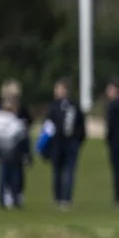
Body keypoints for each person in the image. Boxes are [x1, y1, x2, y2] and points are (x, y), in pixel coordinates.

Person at [43, 79, 87, 209]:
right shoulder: (55, 107)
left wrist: (77, 141)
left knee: (68, 170)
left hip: (68, 142)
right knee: (58, 171)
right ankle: (59, 197)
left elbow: (80, 126)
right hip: (58, 143)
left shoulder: (70, 107)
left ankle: (65, 197)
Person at [0, 82, 30, 209]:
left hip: (3, 150)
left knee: (6, 174)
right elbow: (23, 135)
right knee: (14, 175)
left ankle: (6, 197)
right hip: (14, 150)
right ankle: (14, 197)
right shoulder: (15, 121)